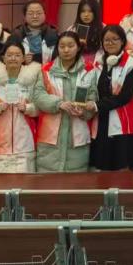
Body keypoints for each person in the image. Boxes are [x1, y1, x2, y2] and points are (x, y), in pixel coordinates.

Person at [32, 31, 98, 173]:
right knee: (48, 181)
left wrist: (85, 111)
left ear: (78, 47)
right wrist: (59, 104)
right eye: (62, 46)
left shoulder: (89, 70)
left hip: (77, 135)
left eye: (70, 46)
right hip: (50, 135)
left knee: (75, 181)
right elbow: (38, 95)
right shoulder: (46, 70)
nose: (66, 50)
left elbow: (93, 97)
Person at [0, 39, 41, 172]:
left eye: (17, 55)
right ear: (3, 58)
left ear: (23, 58)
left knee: (25, 184)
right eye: (9, 55)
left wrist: (28, 108)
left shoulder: (32, 81)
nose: (13, 58)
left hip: (25, 145)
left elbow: (40, 108)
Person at [91, 25, 133, 171]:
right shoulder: (98, 64)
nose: (110, 43)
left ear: (123, 41)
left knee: (121, 169)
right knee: (101, 168)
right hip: (101, 121)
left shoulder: (131, 64)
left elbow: (125, 96)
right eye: (106, 40)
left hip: (122, 122)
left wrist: (96, 105)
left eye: (114, 39)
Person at [11, 0, 58, 65]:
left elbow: (59, 59)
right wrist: (22, 60)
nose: (35, 16)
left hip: (49, 70)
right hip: (23, 70)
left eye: (39, 13)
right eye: (30, 13)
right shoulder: (16, 35)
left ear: (45, 14)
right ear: (24, 16)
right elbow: (5, 57)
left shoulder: (54, 34)